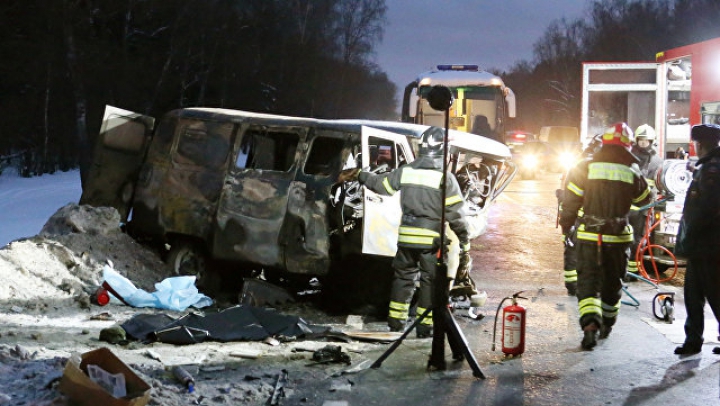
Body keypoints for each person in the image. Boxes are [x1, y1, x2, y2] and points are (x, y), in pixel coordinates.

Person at [340, 126, 471, 338]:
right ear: (443, 150)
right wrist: (465, 244)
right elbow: (457, 217)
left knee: (403, 279)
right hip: (431, 242)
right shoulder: (445, 179)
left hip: (406, 238)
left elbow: (381, 186)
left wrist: (360, 175)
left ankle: (396, 324)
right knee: (430, 283)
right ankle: (424, 328)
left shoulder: (406, 171)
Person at [559, 123, 653, 350]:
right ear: (626, 146)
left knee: (588, 281)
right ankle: (607, 324)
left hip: (589, 236)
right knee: (612, 283)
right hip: (618, 238)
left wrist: (567, 228)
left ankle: (590, 326)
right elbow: (644, 202)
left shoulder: (584, 167)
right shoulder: (632, 171)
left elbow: (570, 203)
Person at [673, 124, 720, 355]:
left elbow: (708, 207)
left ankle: (694, 339)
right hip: (700, 246)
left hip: (709, 246)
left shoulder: (713, 169)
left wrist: (691, 234)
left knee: (714, 293)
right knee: (692, 294)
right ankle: (693, 340)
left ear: (699, 144)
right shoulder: (708, 168)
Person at [557, 134, 603, 296]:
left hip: (581, 217)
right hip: (584, 218)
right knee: (576, 249)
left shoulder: (582, 165)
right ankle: (577, 284)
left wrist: (567, 224)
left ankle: (577, 284)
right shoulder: (583, 166)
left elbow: (570, 199)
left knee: (574, 248)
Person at [626, 124, 663, 281]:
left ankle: (633, 271)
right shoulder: (628, 157)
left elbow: (659, 185)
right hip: (627, 207)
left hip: (644, 209)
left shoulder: (657, 161)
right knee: (624, 238)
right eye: (640, 140)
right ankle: (623, 270)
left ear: (652, 141)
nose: (643, 143)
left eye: (646, 140)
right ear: (636, 140)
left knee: (639, 241)